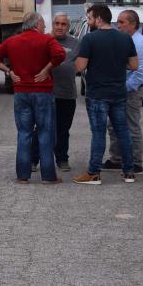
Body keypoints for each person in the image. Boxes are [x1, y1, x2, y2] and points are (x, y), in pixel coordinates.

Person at [0, 13, 66, 184]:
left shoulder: (12, 41)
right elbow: (60, 55)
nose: (45, 27)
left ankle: (22, 175)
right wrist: (47, 69)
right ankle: (48, 175)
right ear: (37, 24)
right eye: (43, 24)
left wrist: (9, 71)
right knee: (45, 133)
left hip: (21, 92)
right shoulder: (46, 40)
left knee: (24, 133)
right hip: (43, 92)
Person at [73, 4, 137, 185]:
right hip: (119, 93)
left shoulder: (89, 39)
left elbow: (80, 67)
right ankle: (129, 171)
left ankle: (93, 173)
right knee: (123, 131)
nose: (89, 21)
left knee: (99, 133)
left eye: (90, 18)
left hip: (98, 94)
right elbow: (134, 65)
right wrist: (116, 65)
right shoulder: (125, 38)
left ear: (99, 19)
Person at [102, 10, 143, 175]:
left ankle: (136, 162)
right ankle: (117, 159)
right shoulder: (126, 40)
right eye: (117, 22)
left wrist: (124, 88)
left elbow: (140, 73)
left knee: (131, 126)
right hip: (120, 89)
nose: (118, 25)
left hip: (131, 91)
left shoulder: (139, 42)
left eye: (122, 22)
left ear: (133, 23)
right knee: (113, 125)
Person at [41, 13, 80, 172]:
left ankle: (62, 159)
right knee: (43, 128)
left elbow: (81, 63)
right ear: (52, 24)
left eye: (63, 24)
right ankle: (34, 159)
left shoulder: (76, 43)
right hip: (46, 93)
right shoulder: (44, 40)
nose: (59, 26)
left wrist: (70, 69)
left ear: (68, 27)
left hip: (67, 94)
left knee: (63, 130)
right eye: (57, 23)